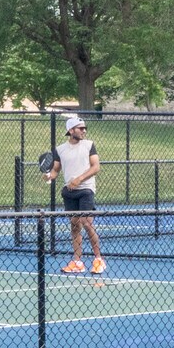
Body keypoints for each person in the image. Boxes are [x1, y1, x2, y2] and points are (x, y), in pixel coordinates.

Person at [45, 114, 105, 275]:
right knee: (75, 226)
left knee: (86, 223)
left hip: (86, 190)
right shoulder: (60, 149)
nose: (84, 131)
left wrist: (79, 179)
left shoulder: (89, 145)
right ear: (71, 130)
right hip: (69, 192)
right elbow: (56, 170)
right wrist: (49, 176)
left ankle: (99, 260)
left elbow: (95, 167)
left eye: (85, 128)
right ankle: (78, 262)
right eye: (81, 128)